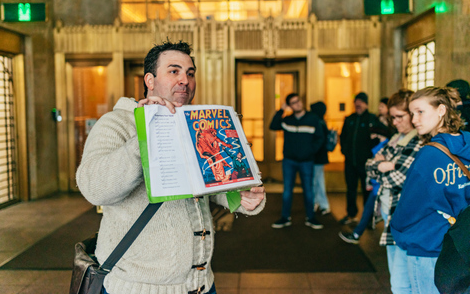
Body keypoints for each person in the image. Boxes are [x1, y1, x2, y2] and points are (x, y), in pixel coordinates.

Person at [76, 40, 266, 294]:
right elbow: (94, 188)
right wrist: (146, 136)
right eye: (174, 71)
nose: (185, 80)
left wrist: (241, 196)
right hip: (136, 288)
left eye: (190, 73)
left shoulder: (195, 125)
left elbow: (207, 181)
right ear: (150, 81)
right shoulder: (117, 123)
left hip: (200, 285)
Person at [339, 89, 423, 293]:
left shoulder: (419, 141)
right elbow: (371, 166)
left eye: (399, 117)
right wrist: (384, 165)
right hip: (389, 211)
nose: (394, 122)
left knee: (403, 282)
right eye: (392, 117)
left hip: (403, 215)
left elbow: (398, 178)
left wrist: (384, 166)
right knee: (396, 277)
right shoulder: (397, 138)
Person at [390, 86, 470, 294]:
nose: (415, 119)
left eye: (420, 112)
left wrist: (398, 233)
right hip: (460, 244)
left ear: (441, 110)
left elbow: (409, 207)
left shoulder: (429, 154)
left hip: (427, 243)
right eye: (412, 113)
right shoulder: (467, 143)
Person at [270, 93, 325, 229]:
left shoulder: (313, 119)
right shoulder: (287, 120)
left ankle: (311, 218)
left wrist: (310, 151)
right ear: (290, 106)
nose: (298, 104)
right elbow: (273, 125)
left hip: (307, 161)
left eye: (298, 101)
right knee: (287, 190)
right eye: (293, 103)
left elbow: (320, 137)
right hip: (289, 161)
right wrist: (281, 110)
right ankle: (285, 218)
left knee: (308, 190)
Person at [339, 92, 386, 225]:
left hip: (366, 163)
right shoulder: (349, 119)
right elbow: (343, 137)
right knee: (350, 189)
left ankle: (368, 219)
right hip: (350, 162)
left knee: (367, 192)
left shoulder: (372, 119)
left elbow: (383, 135)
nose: (358, 104)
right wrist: (344, 151)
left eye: (361, 102)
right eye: (356, 102)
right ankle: (351, 214)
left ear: (366, 104)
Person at [309, 101, 331, 215]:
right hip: (320, 157)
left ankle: (321, 204)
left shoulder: (317, 122)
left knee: (316, 181)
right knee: (318, 180)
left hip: (316, 157)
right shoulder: (322, 121)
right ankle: (319, 203)